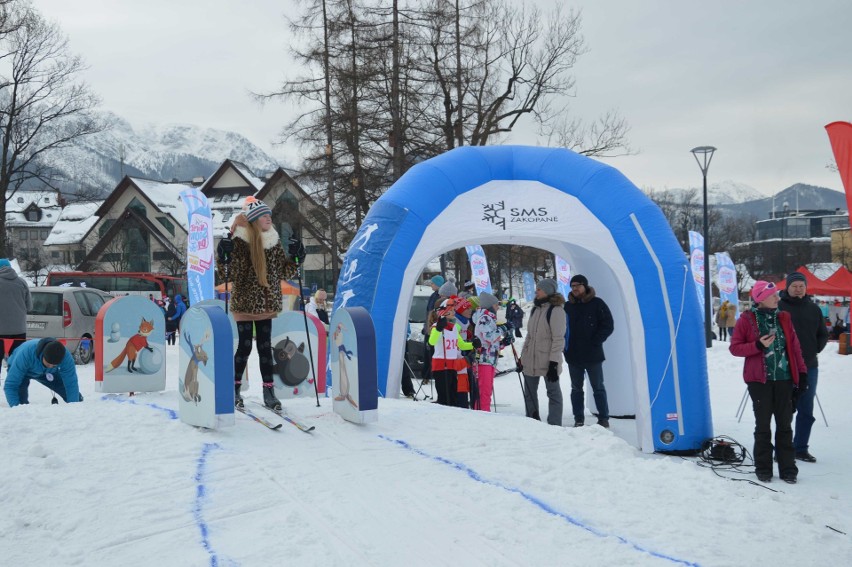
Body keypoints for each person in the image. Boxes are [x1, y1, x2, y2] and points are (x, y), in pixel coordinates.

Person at [216, 197, 299, 410]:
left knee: (264, 348)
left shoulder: (273, 241)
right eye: (264, 215)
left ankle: (269, 391)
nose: (269, 218)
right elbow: (230, 273)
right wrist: (224, 256)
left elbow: (285, 271)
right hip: (245, 302)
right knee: (244, 347)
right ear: (254, 219)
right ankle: (234, 389)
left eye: (269, 214)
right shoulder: (240, 241)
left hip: (266, 303)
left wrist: (297, 258)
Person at [730, 281, 806, 484]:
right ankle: (763, 468)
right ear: (760, 298)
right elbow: (735, 348)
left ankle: (788, 469)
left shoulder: (784, 318)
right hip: (759, 381)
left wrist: (802, 373)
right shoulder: (747, 320)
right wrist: (757, 345)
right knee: (763, 426)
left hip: (784, 379)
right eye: (773, 295)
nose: (777, 298)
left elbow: (795, 348)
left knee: (785, 425)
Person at [778, 271, 828, 463]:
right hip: (783, 367)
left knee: (806, 409)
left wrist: (814, 349)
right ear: (787, 287)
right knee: (784, 409)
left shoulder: (813, 309)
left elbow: (823, 334)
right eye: (794, 286)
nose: (798, 289)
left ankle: (800, 448)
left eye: (801, 286)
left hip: (809, 367)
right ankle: (782, 448)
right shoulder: (779, 307)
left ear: (805, 288)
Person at [564, 274, 614, 428]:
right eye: (572, 286)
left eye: (578, 285)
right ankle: (578, 418)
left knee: (598, 387)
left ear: (585, 286)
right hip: (573, 355)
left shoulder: (597, 303)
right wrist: (564, 347)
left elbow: (608, 324)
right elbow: (561, 327)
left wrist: (596, 341)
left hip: (593, 354)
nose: (575, 289)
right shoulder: (567, 306)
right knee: (576, 388)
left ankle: (603, 417)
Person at [520, 278, 566, 426]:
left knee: (553, 393)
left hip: (548, 360)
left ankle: (554, 424)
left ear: (547, 291)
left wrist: (554, 362)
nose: (536, 292)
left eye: (539, 289)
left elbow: (558, 339)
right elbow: (529, 335)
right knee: (529, 393)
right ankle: (532, 422)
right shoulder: (535, 308)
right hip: (531, 359)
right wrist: (523, 356)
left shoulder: (556, 310)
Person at [4, 338, 82, 407]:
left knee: (76, 398)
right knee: (21, 404)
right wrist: (16, 409)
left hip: (48, 373)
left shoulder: (66, 357)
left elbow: (71, 383)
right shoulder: (25, 354)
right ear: (43, 355)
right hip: (23, 372)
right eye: (48, 364)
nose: (50, 366)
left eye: (54, 365)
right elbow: (11, 385)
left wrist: (74, 407)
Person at [428, 296, 475, 406]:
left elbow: (461, 345)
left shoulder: (454, 327)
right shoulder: (436, 326)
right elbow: (432, 342)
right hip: (440, 366)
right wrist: (439, 329)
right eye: (452, 310)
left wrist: (474, 345)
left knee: (453, 397)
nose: (454, 312)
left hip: (452, 366)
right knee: (444, 397)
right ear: (445, 311)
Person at [0, 258, 31, 381]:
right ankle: (17, 390)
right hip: (19, 330)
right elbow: (29, 306)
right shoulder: (22, 282)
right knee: (17, 361)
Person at [472, 292, 503, 412]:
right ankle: (482, 413)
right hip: (484, 360)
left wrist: (504, 341)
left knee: (487, 390)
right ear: (490, 306)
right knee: (484, 390)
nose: (498, 308)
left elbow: (492, 343)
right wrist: (502, 329)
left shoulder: (489, 318)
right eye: (496, 305)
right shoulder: (485, 318)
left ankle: (484, 411)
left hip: (490, 360)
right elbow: (488, 337)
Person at [420, 275, 445, 385]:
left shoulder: (441, 297)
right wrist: (425, 327)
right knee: (427, 353)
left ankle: (435, 374)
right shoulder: (432, 296)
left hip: (436, 329)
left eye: (433, 283)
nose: (431, 285)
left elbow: (436, 314)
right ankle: (426, 375)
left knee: (434, 352)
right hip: (429, 328)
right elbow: (428, 313)